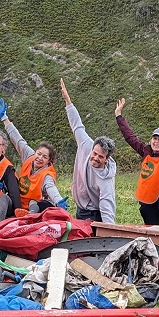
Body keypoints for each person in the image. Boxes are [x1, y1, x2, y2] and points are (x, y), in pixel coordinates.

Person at [115, 98, 159, 225]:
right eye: (155, 138)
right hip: (149, 201)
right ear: (151, 139)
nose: (156, 142)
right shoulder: (145, 151)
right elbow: (129, 137)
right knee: (145, 210)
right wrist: (119, 116)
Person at [0, 97, 69, 214]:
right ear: (35, 152)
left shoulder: (47, 175)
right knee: (4, 198)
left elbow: (51, 188)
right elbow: (17, 139)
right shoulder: (29, 156)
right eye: (39, 154)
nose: (40, 158)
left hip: (35, 206)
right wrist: (4, 118)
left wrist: (58, 200)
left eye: (44, 157)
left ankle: (30, 217)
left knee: (34, 203)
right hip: (18, 203)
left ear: (49, 161)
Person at [60, 78, 117, 223]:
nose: (96, 158)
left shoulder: (106, 179)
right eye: (95, 153)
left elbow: (107, 206)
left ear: (107, 158)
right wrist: (68, 101)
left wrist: (110, 231)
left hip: (94, 214)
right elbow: (76, 125)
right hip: (80, 208)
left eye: (101, 157)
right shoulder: (86, 144)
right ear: (92, 149)